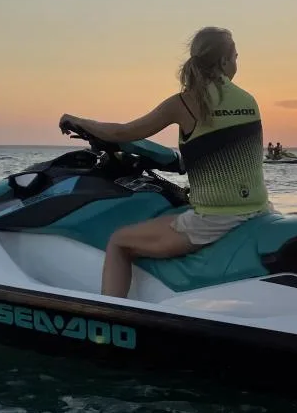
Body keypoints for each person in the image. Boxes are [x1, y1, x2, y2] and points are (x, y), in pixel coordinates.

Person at [59, 26, 270, 299]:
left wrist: (79, 121)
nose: (236, 64)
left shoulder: (185, 102)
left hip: (216, 220)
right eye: (236, 57)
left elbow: (123, 132)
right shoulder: (248, 100)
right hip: (260, 208)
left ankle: (110, 319)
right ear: (224, 62)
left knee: (119, 242)